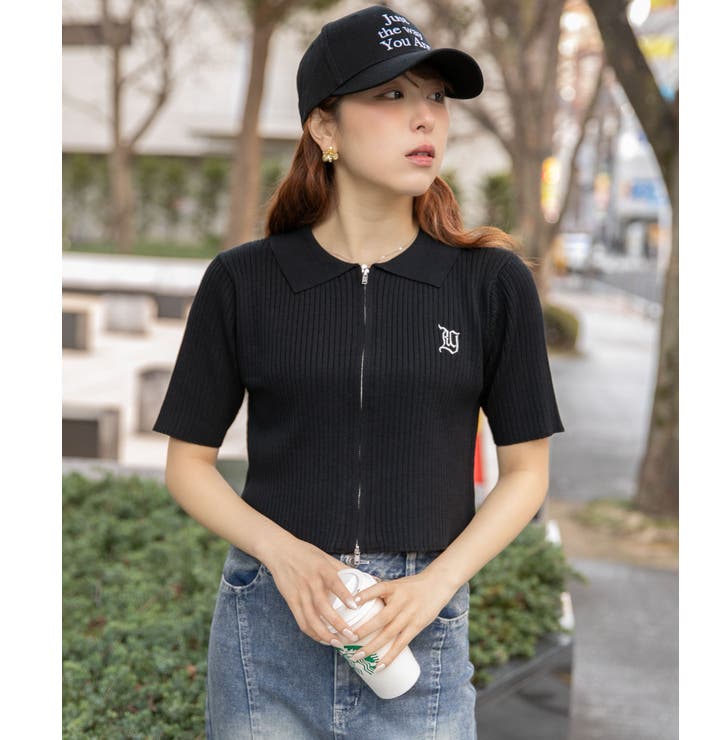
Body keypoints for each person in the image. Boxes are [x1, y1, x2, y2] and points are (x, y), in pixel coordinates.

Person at [152, 4, 565, 738]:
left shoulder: (491, 283)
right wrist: (284, 555)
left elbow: (527, 474)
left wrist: (434, 585)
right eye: (391, 95)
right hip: (269, 624)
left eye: (436, 96)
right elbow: (188, 465)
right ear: (325, 128)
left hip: (418, 630)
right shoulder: (244, 281)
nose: (426, 117)